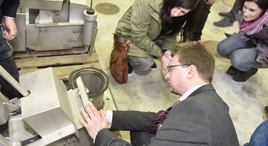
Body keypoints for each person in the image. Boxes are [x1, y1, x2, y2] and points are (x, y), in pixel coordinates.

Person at [80, 43, 239, 146]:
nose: (166, 76)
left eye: (171, 69)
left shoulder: (195, 109)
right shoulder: (209, 100)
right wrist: (106, 116)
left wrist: (100, 134)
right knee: (140, 131)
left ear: (190, 71)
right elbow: (157, 119)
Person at [113, 0, 204, 75]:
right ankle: (129, 60)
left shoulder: (184, 12)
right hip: (130, 35)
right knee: (145, 64)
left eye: (183, 12)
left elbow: (171, 34)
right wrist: (161, 56)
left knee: (180, 55)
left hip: (154, 35)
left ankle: (149, 53)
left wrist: (167, 52)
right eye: (177, 7)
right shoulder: (147, 2)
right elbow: (138, 36)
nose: (175, 13)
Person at [217, 0, 268, 82]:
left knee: (237, 59)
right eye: (245, 7)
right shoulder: (245, 9)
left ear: (266, 10)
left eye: (252, 10)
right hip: (251, 38)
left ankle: (250, 69)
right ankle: (242, 63)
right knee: (223, 48)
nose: (245, 13)